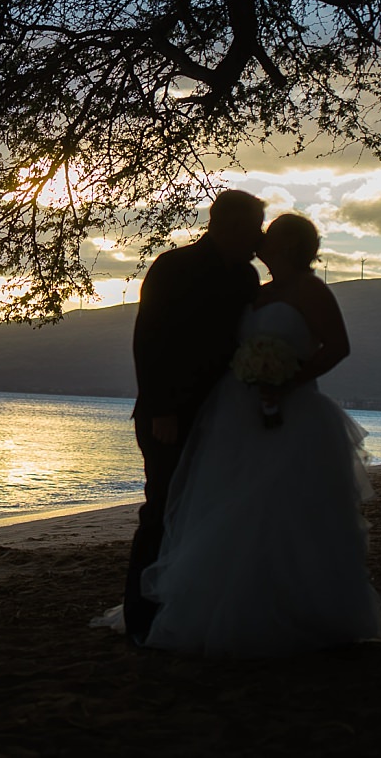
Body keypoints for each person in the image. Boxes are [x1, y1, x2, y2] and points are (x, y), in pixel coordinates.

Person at [139, 212, 381, 657]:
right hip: (236, 412)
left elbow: (338, 347)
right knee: (229, 506)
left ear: (288, 246)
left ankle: (295, 610)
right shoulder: (256, 288)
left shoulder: (312, 290)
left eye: (268, 238)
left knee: (286, 511)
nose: (260, 243)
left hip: (296, 414)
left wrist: (289, 379)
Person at [121, 188, 266, 644]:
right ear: (227, 226)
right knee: (161, 510)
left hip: (219, 414)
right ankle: (139, 618)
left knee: (201, 513)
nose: (257, 237)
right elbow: (149, 341)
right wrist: (162, 408)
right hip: (170, 413)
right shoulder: (173, 267)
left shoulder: (245, 276)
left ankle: (181, 606)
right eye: (252, 228)